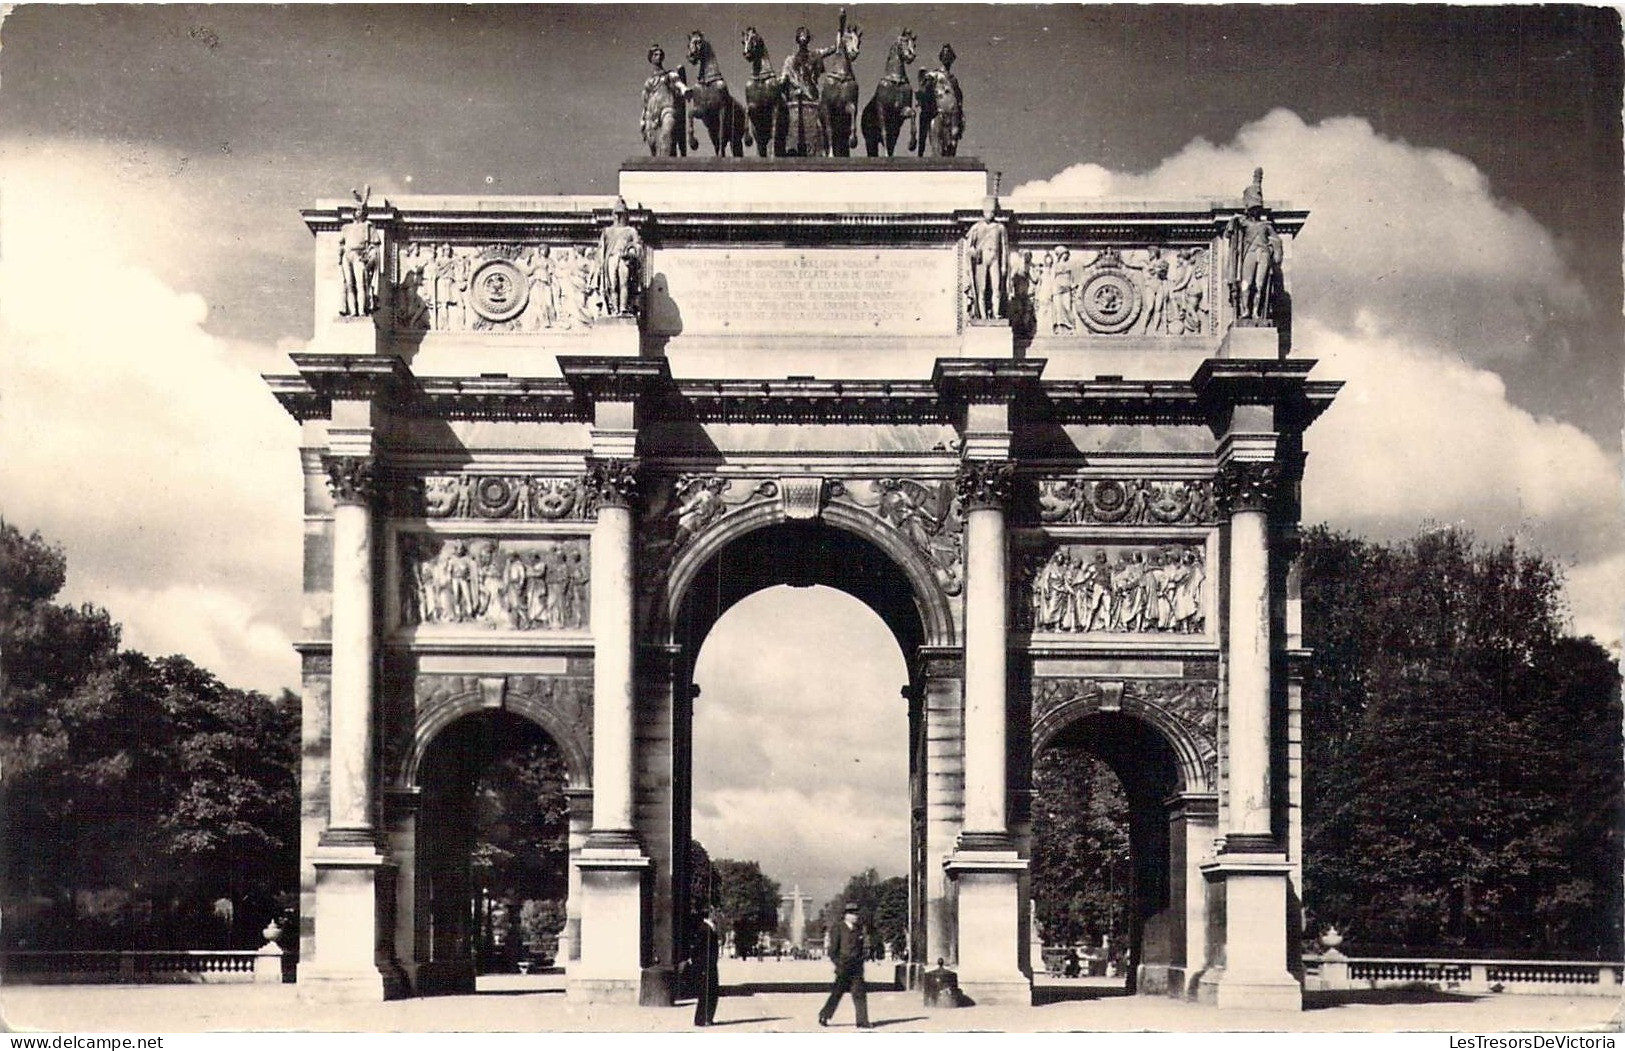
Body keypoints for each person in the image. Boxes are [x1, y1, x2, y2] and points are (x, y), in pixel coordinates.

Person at [817, 903, 872, 1029]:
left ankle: (862, 1021)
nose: (856, 916)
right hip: (844, 966)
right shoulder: (838, 928)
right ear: (846, 915)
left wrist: (862, 958)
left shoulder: (859, 929)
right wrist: (839, 963)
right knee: (837, 993)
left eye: (856, 913)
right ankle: (824, 1015)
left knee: (859, 993)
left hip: (857, 966)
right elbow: (832, 951)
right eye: (853, 914)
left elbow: (863, 947)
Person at [597, 197, 643, 317]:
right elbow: (601, 250)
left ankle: (623, 308)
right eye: (617, 214)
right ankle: (614, 309)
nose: (619, 217)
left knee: (624, 283)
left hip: (624, 259)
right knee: (612, 285)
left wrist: (632, 252)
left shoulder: (631, 231)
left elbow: (637, 246)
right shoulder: (607, 231)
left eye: (621, 214)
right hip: (611, 259)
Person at [964, 197, 1008, 320]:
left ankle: (996, 313)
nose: (990, 214)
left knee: (996, 288)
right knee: (981, 289)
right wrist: (972, 251)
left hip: (995, 259)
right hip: (981, 260)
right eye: (988, 211)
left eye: (992, 212)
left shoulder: (1000, 228)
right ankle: (982, 316)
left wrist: (1004, 264)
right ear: (984, 212)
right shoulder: (976, 228)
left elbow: (1004, 248)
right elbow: (970, 246)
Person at [692, 906, 722, 1026]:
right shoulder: (704, 929)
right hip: (705, 966)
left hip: (710, 965)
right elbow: (698, 949)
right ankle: (701, 1019)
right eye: (715, 913)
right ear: (710, 914)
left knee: (712, 991)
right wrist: (700, 966)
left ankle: (707, 1017)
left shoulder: (710, 928)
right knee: (706, 993)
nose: (717, 915)